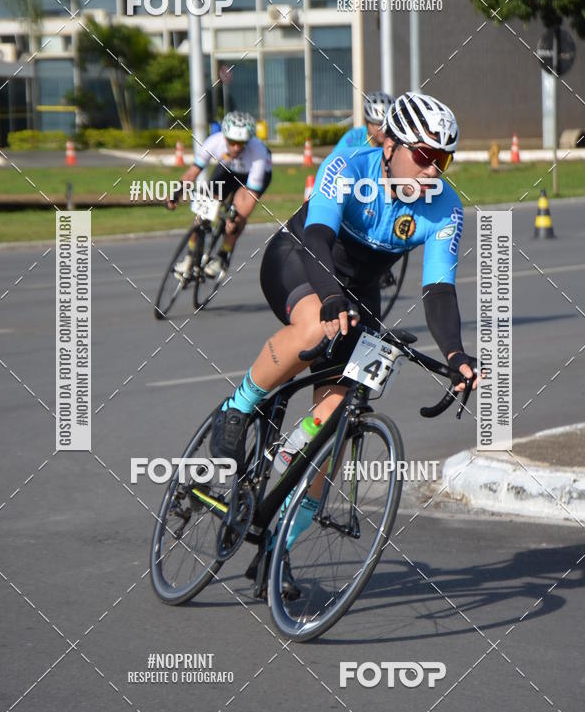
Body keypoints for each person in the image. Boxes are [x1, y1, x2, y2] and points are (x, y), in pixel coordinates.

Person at [210, 92, 478, 586]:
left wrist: (456, 354)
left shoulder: (446, 207)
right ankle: (239, 406)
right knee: (315, 325)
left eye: (443, 160)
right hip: (300, 259)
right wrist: (331, 297)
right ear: (390, 146)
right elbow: (317, 239)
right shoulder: (349, 165)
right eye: (424, 155)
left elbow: (439, 289)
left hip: (359, 291)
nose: (433, 170)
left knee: (335, 423)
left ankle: (276, 545)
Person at [168, 111, 272, 278]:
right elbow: (192, 172)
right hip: (227, 169)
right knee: (203, 209)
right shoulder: (214, 142)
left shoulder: (258, 152)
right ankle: (189, 258)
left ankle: (223, 255)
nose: (236, 147)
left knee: (238, 214)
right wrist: (176, 193)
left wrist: (235, 222)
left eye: (241, 143)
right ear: (224, 137)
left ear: (248, 141)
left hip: (252, 177)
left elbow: (249, 198)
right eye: (232, 142)